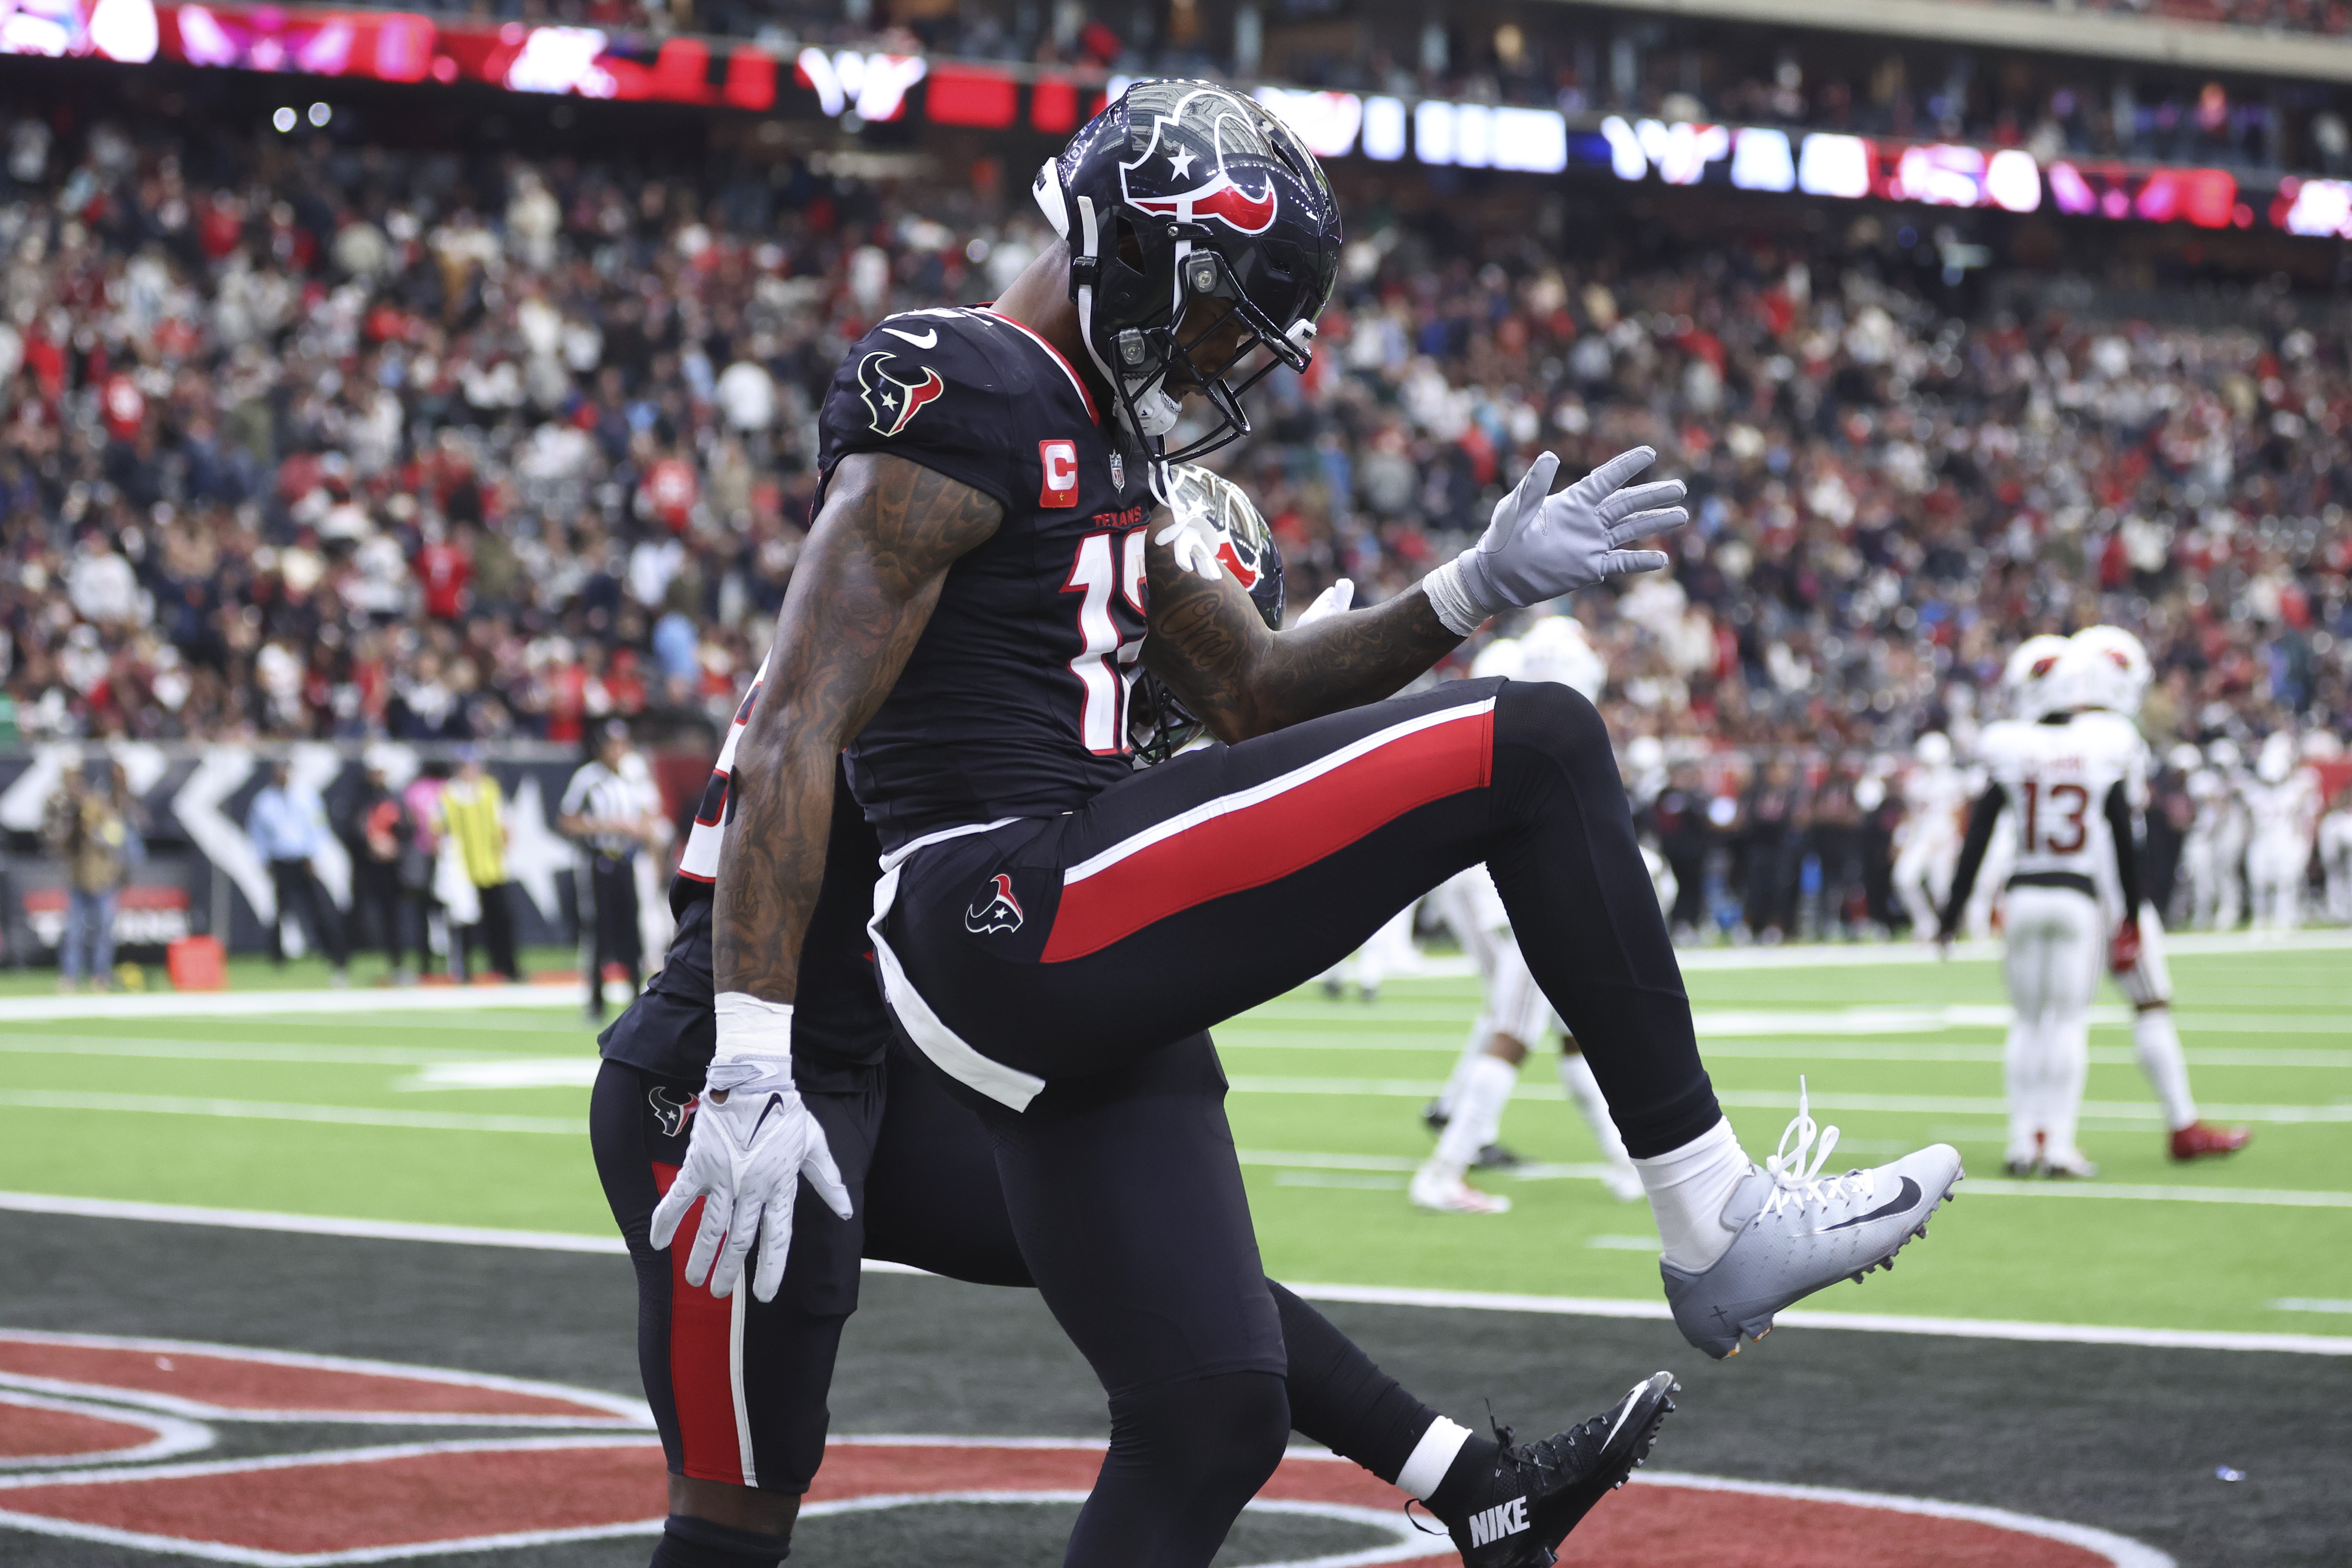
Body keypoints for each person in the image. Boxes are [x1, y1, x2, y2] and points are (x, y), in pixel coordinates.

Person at [664, 81, 1957, 1567]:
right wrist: (752, 1053)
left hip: (1050, 925)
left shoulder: (1089, 436)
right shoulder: (965, 380)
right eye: (1219, 316)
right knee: (1533, 744)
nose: (1225, 363)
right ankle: (1713, 1216)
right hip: (1001, 901)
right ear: (1145, 246)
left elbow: (1254, 688)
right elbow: (791, 728)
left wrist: (1471, 588)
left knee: (1212, 1403)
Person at [596, 637, 1678, 1568]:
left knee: (1161, 1269)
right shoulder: (916, 659)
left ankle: (1474, 1484)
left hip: (859, 1072)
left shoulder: (925, 638)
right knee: (737, 1510)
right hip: (723, 1092)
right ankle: (1475, 1485)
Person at [1416, 615, 1647, 1213]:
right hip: (1520, 886)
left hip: (1503, 880)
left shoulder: (1508, 712)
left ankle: (1625, 1164)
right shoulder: (1543, 725)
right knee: (1515, 1026)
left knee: (1569, 1031)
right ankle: (1444, 1171)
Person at [2060, 627, 2249, 1164]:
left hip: (2068, 888)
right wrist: (2129, 910)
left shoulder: (2061, 732)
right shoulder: (2116, 736)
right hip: (2107, 892)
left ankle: (2042, 1135)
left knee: (2058, 1019)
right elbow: (2123, 830)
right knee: (2148, 1003)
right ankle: (2179, 1124)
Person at [562, 719, 655, 1020]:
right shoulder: (587, 779)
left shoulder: (634, 777)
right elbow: (567, 821)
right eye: (612, 745)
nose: (618, 751)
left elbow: (650, 818)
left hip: (627, 859)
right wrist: (604, 825)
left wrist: (638, 828)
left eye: (622, 745)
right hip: (598, 860)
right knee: (599, 930)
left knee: (632, 929)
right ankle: (596, 1001)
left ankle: (634, 995)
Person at [245, 757, 349, 985]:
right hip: (280, 862)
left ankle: (336, 956)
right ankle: (277, 959)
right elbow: (257, 834)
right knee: (279, 912)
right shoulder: (263, 802)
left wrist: (313, 855)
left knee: (323, 909)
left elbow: (318, 828)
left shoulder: (306, 797)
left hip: (305, 861)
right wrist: (265, 860)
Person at [44, 757, 138, 992]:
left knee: (103, 931)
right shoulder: (65, 809)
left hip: (103, 881)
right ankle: (70, 977)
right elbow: (58, 843)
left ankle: (100, 976)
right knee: (74, 932)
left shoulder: (101, 807)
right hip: (80, 880)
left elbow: (116, 839)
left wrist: (94, 827)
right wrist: (76, 826)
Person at [440, 746, 520, 981]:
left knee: (501, 919)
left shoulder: (490, 790)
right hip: (461, 869)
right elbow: (439, 828)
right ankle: (463, 970)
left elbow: (504, 823)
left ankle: (506, 967)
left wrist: (503, 850)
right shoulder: (449, 794)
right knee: (463, 921)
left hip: (491, 866)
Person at [345, 755, 422, 985]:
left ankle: (397, 965)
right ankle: (343, 966)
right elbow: (351, 830)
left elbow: (407, 830)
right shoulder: (359, 798)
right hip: (365, 867)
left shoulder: (394, 798)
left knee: (392, 918)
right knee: (357, 915)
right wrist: (370, 843)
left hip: (390, 868)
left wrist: (395, 848)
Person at [2241, 733, 2320, 933]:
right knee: (2258, 881)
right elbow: (2249, 819)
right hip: (2263, 839)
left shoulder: (2298, 788)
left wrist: (2303, 841)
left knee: (2285, 881)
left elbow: (2306, 815)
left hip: (2284, 838)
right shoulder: (2254, 791)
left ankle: (2284, 918)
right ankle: (2261, 919)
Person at [1893, 731, 1967, 939]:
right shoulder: (1916, 781)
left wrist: (1957, 841)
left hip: (1944, 838)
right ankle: (1926, 924)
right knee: (1904, 878)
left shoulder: (1954, 781)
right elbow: (1911, 815)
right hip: (1921, 837)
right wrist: (1901, 838)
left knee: (1941, 888)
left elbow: (1958, 814)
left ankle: (1947, 928)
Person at [2320, 782, 2352, 925]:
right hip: (2336, 862)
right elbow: (2328, 843)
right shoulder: (2333, 820)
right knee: (2336, 883)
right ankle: (2338, 914)